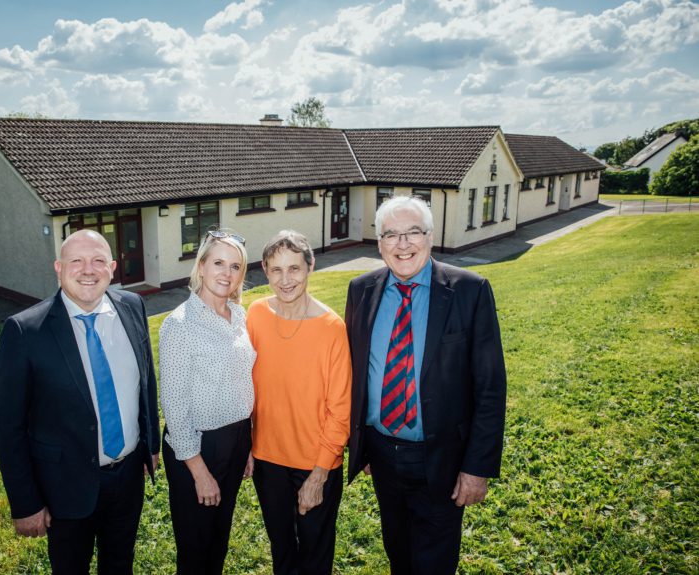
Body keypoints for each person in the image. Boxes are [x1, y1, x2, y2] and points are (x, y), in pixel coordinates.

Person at [345, 196, 507, 574]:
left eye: (413, 232)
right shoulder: (361, 289)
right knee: (397, 549)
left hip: (442, 457)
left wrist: (476, 467)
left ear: (430, 237)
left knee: (434, 559)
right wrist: (364, 445)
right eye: (391, 235)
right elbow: (356, 370)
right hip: (382, 453)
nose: (403, 244)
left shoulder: (469, 291)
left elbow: (490, 387)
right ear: (379, 242)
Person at [0, 229, 160, 575]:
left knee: (120, 564)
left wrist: (150, 445)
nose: (89, 270)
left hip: (128, 476)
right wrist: (26, 503)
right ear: (58, 267)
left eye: (99, 260)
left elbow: (146, 382)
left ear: (113, 268)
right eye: (77, 261)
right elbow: (9, 427)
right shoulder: (25, 332)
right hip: (64, 486)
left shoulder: (132, 306)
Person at [246, 230, 352, 575]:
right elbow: (246, 386)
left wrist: (319, 474)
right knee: (282, 549)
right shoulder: (256, 314)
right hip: (267, 459)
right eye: (276, 270)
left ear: (310, 267)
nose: (285, 279)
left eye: (294, 268)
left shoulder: (332, 327)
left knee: (315, 552)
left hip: (315, 462)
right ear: (264, 269)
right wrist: (247, 443)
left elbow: (341, 409)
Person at [159, 229, 256, 575]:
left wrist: (247, 446)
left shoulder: (239, 316)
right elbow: (174, 404)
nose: (226, 273)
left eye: (235, 266)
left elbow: (243, 381)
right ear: (201, 266)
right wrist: (199, 473)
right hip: (197, 447)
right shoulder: (180, 325)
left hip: (236, 438)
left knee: (218, 539)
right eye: (218, 263)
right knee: (195, 547)